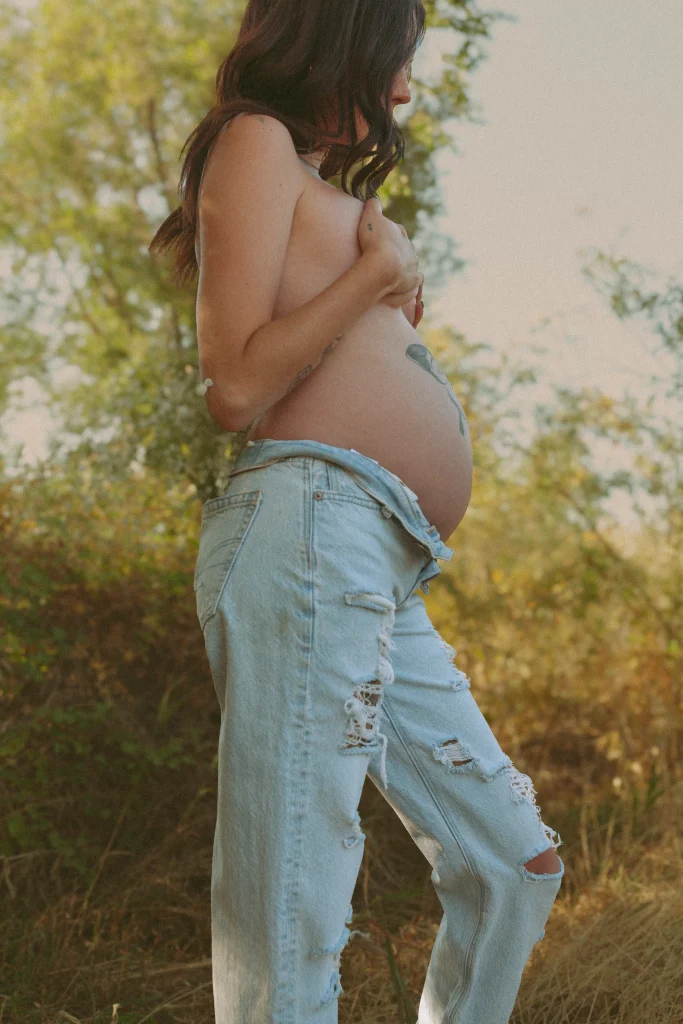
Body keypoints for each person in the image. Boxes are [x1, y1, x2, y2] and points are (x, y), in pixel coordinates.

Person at [149, 1, 564, 1020]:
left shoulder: (313, 188)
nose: (401, 93)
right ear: (337, 42)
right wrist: (374, 275)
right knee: (292, 902)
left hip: (375, 561)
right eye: (393, 63)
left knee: (514, 860)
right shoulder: (251, 142)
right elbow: (233, 388)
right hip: (305, 528)